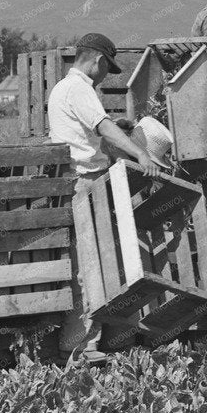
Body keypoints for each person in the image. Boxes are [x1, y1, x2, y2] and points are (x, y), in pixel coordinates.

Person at [46, 32, 162, 363]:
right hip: (84, 183)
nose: (105, 75)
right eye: (106, 68)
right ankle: (79, 347)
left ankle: (104, 338)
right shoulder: (79, 89)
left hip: (83, 180)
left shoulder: (65, 89)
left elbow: (96, 132)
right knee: (88, 266)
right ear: (97, 61)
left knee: (96, 263)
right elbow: (104, 129)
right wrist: (141, 155)